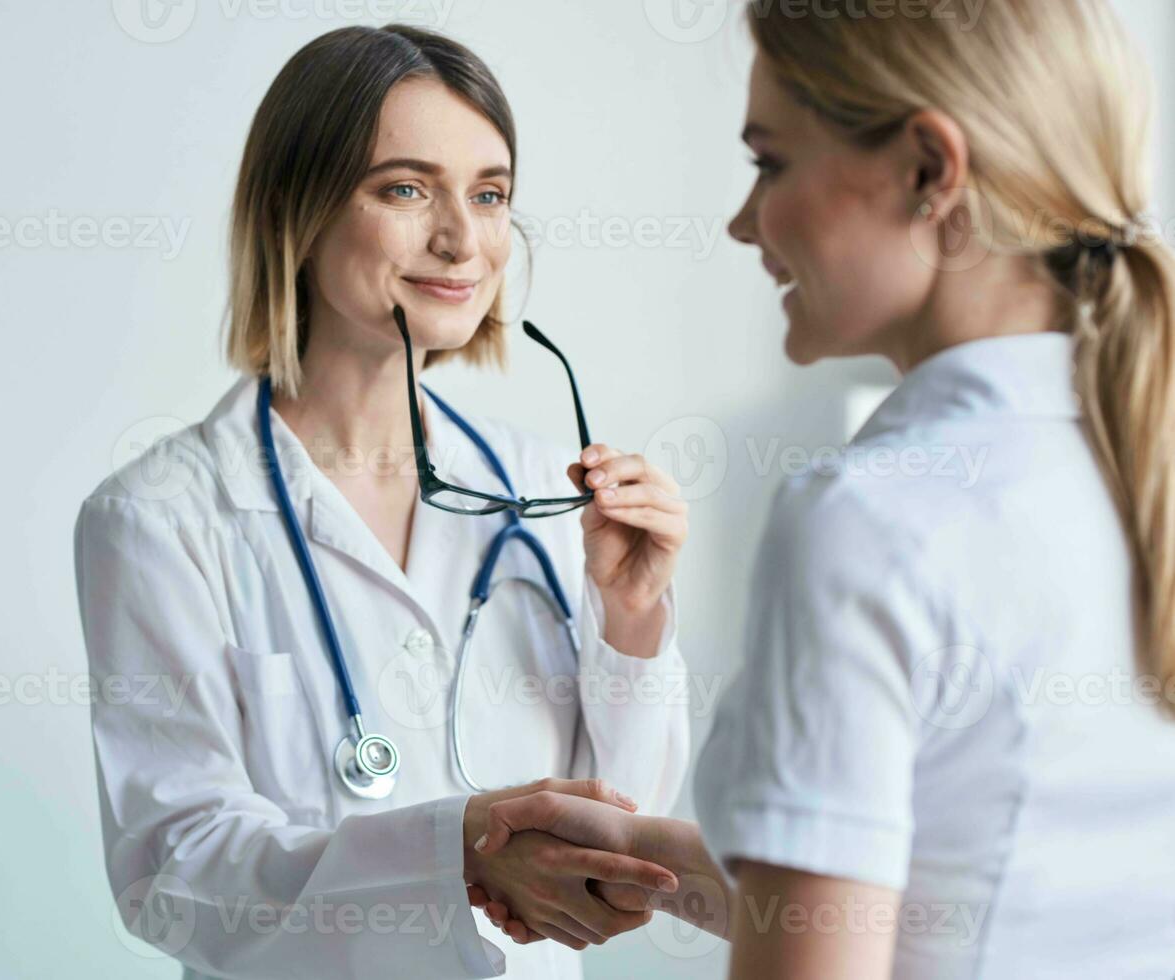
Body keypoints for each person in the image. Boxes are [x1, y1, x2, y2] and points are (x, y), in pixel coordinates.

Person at [468, 1, 1175, 976]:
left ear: (928, 171)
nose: (741, 221)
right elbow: (958, 891)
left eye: (769, 162)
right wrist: (629, 853)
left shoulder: (870, 520)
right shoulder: (1133, 465)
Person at [72, 23, 692, 980]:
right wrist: (451, 845)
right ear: (300, 207)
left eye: (488, 195)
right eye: (405, 188)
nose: (461, 238)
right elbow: (174, 875)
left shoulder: (547, 492)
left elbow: (626, 828)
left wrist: (634, 618)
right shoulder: (159, 519)